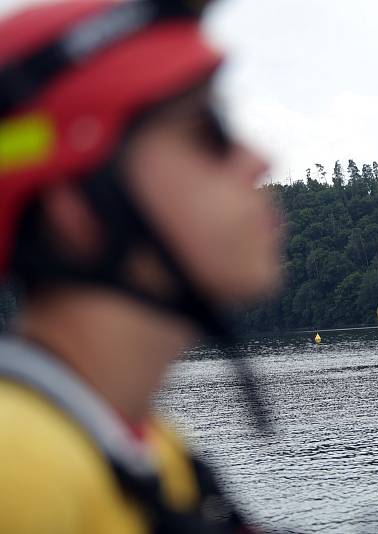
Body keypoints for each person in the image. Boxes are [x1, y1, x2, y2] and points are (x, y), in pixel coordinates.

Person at [0, 1, 283, 532]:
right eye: (209, 131)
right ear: (77, 208)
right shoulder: (18, 474)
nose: (259, 160)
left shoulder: (151, 446)